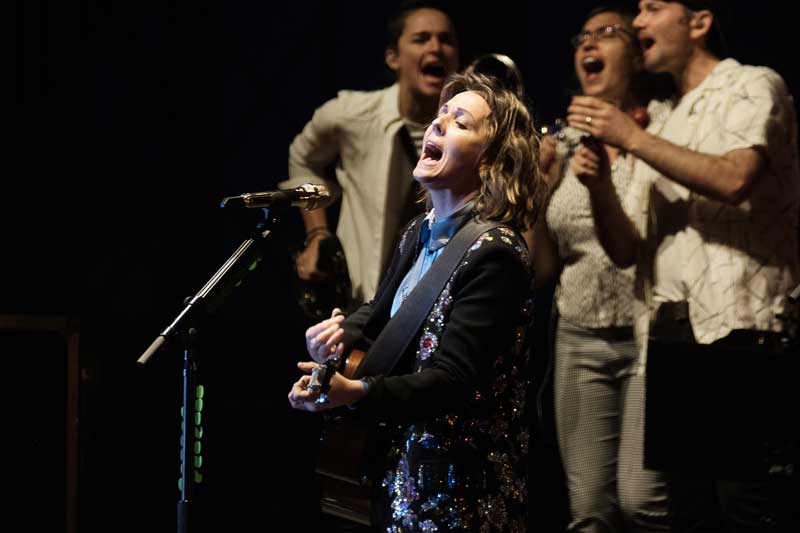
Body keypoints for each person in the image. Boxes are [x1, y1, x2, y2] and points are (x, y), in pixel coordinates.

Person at [567, 1, 800, 530]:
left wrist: (630, 137)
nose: (639, 23)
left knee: (745, 509)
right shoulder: (671, 114)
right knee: (689, 513)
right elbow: (628, 252)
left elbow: (734, 178)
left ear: (699, 22)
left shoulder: (753, 84)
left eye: (651, 9)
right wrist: (600, 187)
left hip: (744, 336)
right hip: (674, 341)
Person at [288, 72, 543, 531]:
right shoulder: (418, 231)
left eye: (460, 122)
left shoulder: (496, 253)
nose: (438, 124)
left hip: (459, 485)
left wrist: (358, 392)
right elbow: (382, 314)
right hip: (401, 469)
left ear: (491, 161)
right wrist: (337, 340)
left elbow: (452, 381)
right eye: (439, 115)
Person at [528, 6, 672, 531]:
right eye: (582, 36)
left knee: (643, 504)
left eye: (607, 34)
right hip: (580, 339)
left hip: (650, 339)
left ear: (636, 52)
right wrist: (538, 195)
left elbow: (635, 246)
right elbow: (541, 269)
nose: (589, 44)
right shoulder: (562, 144)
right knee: (589, 513)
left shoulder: (665, 129)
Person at [281, 1, 460, 310]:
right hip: (358, 303)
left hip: (432, 307)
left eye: (446, 39)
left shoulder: (469, 134)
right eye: (422, 39)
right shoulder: (351, 115)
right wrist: (316, 233)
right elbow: (302, 158)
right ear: (393, 57)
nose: (436, 47)